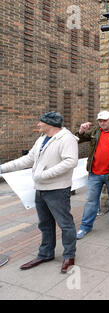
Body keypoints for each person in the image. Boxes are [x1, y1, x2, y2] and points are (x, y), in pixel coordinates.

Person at [0, 111, 78, 273]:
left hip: (57, 189)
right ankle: (45, 253)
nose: (38, 124)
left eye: (41, 122)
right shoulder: (42, 139)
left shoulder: (66, 138)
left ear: (50, 124)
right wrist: (2, 168)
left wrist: (43, 175)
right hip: (41, 189)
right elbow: (28, 159)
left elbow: (71, 161)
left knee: (65, 224)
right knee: (45, 224)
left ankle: (69, 256)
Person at [75, 110, 109, 239]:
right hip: (94, 174)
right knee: (90, 201)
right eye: (100, 120)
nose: (102, 123)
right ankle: (85, 226)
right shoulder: (95, 132)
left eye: (104, 120)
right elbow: (78, 139)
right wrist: (81, 130)